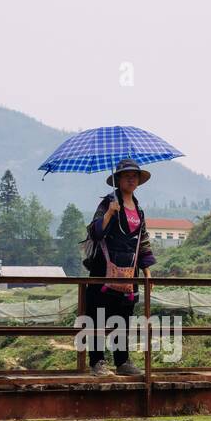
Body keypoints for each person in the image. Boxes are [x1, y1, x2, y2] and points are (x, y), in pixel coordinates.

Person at [82, 157, 156, 376]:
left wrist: (147, 271)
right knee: (98, 317)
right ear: (118, 179)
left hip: (128, 273)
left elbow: (142, 241)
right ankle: (97, 362)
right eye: (127, 176)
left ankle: (122, 362)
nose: (131, 179)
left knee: (123, 317)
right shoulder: (108, 203)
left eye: (135, 176)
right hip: (104, 270)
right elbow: (95, 233)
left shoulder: (138, 210)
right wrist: (110, 213)